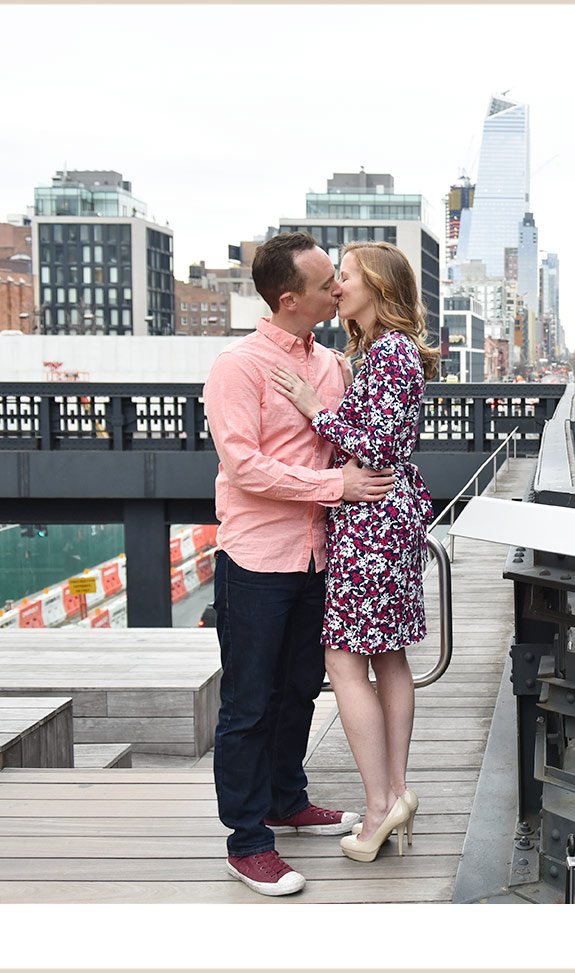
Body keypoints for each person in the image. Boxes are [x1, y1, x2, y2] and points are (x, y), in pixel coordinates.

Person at [203, 231, 395, 897]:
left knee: (298, 690)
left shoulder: (333, 364)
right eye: (324, 284)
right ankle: (248, 840)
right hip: (257, 559)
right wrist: (334, 488)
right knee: (249, 701)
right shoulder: (239, 366)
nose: (336, 289)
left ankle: (286, 797)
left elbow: (348, 442)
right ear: (289, 300)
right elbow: (244, 466)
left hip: (320, 557)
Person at [272, 240, 439, 864]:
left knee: (343, 660)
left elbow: (380, 441)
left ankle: (378, 807)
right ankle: (394, 792)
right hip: (385, 517)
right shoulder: (378, 352)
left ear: (379, 286)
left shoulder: (390, 352)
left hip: (372, 519)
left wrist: (315, 409)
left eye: (345, 276)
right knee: (388, 658)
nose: (337, 287)